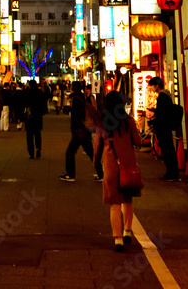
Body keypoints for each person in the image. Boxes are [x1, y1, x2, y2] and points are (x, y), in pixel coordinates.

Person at [95, 90, 142, 251]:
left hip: (110, 166)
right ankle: (128, 231)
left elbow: (97, 147)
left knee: (114, 204)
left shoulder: (103, 123)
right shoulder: (129, 121)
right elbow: (138, 141)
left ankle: (118, 240)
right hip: (127, 166)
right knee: (127, 199)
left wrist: (95, 163)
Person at [59, 81, 103, 182]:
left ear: (73, 88)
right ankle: (101, 173)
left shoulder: (76, 99)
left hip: (79, 131)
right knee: (90, 153)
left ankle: (70, 174)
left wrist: (75, 129)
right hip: (84, 130)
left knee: (70, 152)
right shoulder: (82, 97)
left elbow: (76, 116)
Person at [148, 76, 179, 181]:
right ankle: (171, 173)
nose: (152, 87)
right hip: (166, 126)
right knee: (168, 150)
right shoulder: (166, 95)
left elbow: (162, 113)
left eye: (152, 85)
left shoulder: (162, 96)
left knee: (167, 151)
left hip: (163, 127)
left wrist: (155, 114)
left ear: (157, 85)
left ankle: (172, 174)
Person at [22, 80, 48, 159]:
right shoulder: (40, 93)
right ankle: (38, 148)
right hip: (38, 115)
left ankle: (31, 153)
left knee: (29, 135)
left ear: (29, 85)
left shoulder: (27, 92)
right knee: (37, 133)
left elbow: (24, 103)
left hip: (29, 116)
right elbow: (44, 102)